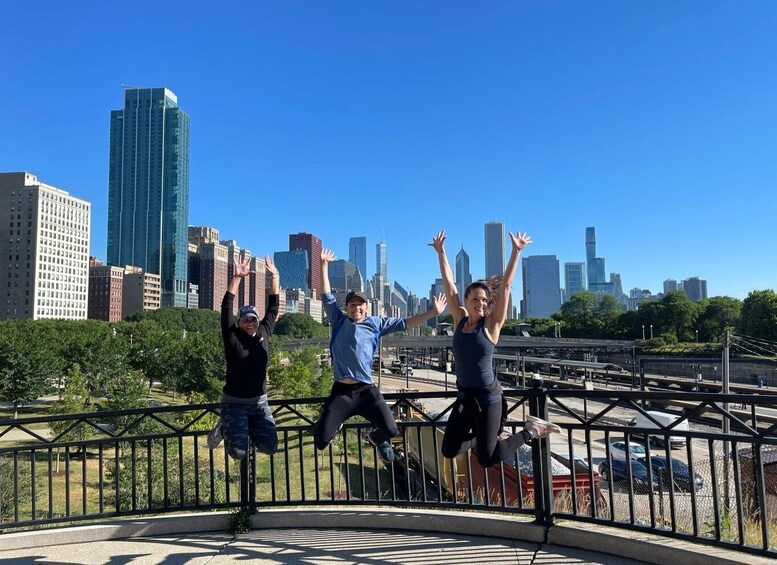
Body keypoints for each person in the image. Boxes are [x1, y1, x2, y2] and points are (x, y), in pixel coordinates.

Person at [429, 229, 561, 468]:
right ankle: (483, 437)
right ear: (466, 301)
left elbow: (507, 287)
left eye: (484, 299)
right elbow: (450, 287)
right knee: (449, 449)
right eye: (475, 299)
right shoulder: (459, 320)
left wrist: (516, 251)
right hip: (465, 397)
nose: (480, 303)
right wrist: (441, 253)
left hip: (489, 397)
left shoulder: (491, 325)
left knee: (488, 458)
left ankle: (531, 431)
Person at [314, 248, 447, 463]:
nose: (356, 307)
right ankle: (337, 421)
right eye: (352, 304)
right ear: (347, 307)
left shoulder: (375, 324)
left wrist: (433, 313)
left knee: (392, 429)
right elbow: (326, 295)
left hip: (366, 390)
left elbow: (406, 323)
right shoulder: (338, 320)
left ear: (366, 307)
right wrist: (323, 265)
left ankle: (376, 437)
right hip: (341, 391)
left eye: (360, 304)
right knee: (321, 441)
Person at [208, 255, 280, 460]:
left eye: (254, 319)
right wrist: (237, 277)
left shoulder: (264, 332)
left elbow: (273, 307)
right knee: (238, 453)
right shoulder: (232, 337)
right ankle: (226, 426)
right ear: (239, 322)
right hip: (234, 402)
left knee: (270, 446)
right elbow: (225, 308)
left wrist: (274, 276)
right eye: (246, 320)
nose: (251, 323)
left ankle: (241, 428)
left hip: (259, 402)